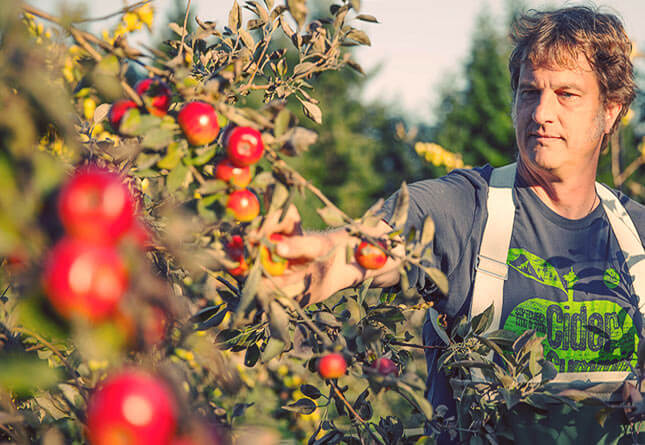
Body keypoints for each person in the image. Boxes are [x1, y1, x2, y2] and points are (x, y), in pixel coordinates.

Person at [255, 5, 645, 443]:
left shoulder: (637, 240)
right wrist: (314, 259)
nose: (540, 114)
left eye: (566, 95)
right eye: (530, 92)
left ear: (610, 110)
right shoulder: (468, 210)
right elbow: (376, 242)